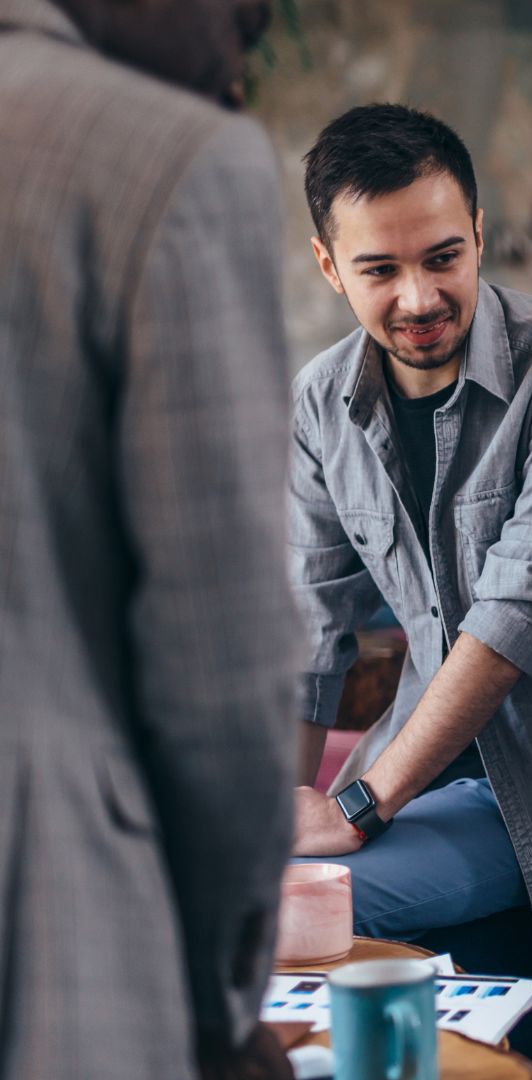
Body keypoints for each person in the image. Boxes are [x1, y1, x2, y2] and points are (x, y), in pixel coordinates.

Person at [285, 103, 532, 977]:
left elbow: (515, 615)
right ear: (328, 267)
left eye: (443, 257)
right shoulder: (319, 402)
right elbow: (307, 631)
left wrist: (356, 806)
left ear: (480, 233)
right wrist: (288, 807)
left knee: (279, 911)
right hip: (415, 787)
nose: (419, 298)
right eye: (379, 269)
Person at [0, 1, 298, 1077]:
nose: (241, 50)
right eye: (241, 16)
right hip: (47, 936)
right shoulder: (163, 164)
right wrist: (219, 1001)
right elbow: (222, 678)